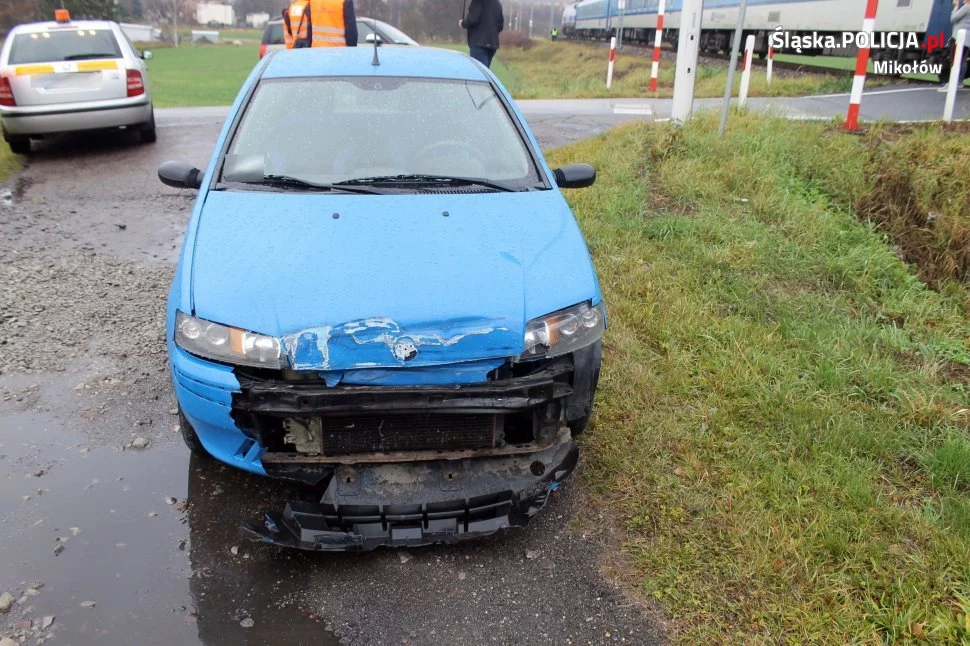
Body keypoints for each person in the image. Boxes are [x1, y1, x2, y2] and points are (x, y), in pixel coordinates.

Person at [283, 0, 358, 49]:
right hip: (340, 51)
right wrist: (351, 51)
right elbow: (351, 31)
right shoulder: (345, 1)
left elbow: (310, 30)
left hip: (317, 51)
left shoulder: (313, 2)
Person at [459, 0, 504, 69]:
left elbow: (473, 19)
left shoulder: (477, 1)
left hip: (479, 43)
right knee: (485, 72)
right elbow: (500, 26)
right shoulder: (497, 3)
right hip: (493, 44)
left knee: (480, 74)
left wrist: (463, 23)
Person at [952, 0, 970, 86]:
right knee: (963, 59)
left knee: (958, 59)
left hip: (960, 38)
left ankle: (957, 81)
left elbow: (953, 18)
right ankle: (959, 80)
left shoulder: (967, 7)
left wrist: (955, 7)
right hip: (967, 39)